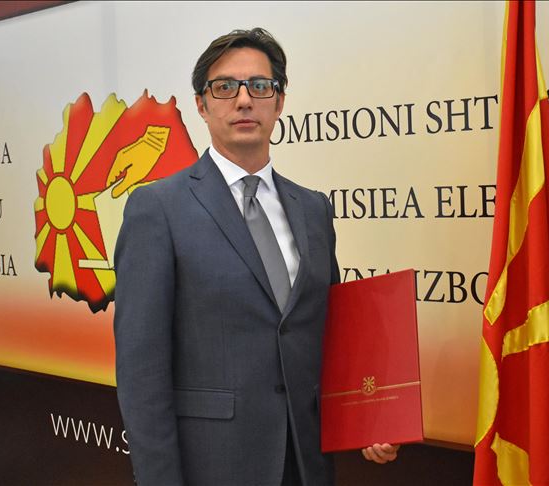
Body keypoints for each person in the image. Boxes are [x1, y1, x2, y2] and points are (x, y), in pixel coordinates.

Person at [113, 28, 399, 486]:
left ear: (279, 102)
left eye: (260, 86)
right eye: (225, 87)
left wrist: (370, 419)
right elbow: (141, 372)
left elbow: (333, 334)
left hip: (306, 462)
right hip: (213, 466)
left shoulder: (313, 209)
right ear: (201, 105)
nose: (244, 100)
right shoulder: (158, 209)